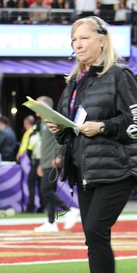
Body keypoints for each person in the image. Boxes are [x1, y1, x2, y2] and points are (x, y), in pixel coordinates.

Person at [47, 16, 137, 273]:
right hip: (86, 169)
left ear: (102, 40)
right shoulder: (75, 82)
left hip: (118, 167)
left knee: (94, 230)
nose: (77, 45)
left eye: (83, 38)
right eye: (74, 40)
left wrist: (102, 126)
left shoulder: (120, 75)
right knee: (94, 235)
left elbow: (136, 123)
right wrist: (58, 128)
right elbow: (71, 128)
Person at [34, 96, 81, 232]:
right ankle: (51, 222)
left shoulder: (52, 119)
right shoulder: (43, 122)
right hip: (47, 161)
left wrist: (59, 156)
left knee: (46, 190)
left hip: (53, 161)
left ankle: (69, 210)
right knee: (49, 190)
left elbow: (62, 139)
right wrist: (41, 163)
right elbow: (45, 145)